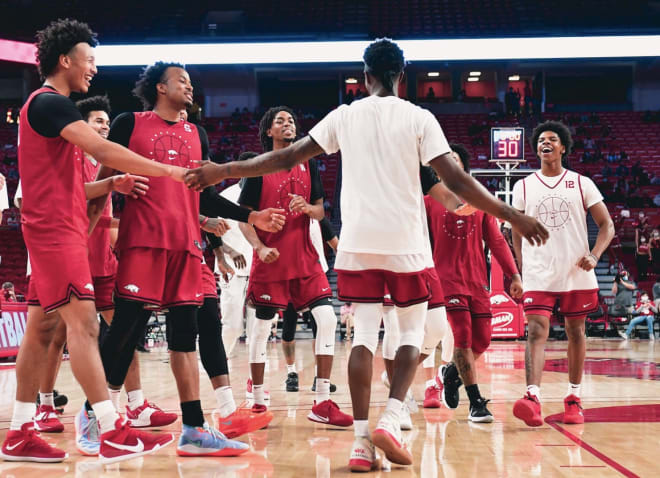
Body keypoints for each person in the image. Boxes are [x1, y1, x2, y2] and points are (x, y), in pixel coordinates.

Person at [184, 38, 547, 471]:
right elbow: (458, 181)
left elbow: (285, 158)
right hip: (405, 246)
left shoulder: (344, 116)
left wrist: (223, 169)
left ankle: (360, 443)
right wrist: (511, 214)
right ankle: (392, 418)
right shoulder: (419, 117)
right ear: (403, 77)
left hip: (356, 245)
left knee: (362, 339)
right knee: (412, 336)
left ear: (366, 76)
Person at [2, 19, 182, 464]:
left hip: (56, 228)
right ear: (66, 60)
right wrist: (172, 171)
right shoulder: (49, 104)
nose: (94, 70)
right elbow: (104, 151)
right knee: (84, 326)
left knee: (42, 330)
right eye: (90, 60)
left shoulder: (46, 107)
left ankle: (20, 431)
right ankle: (111, 427)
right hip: (55, 230)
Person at [90, 61, 248, 458]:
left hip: (186, 245)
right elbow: (101, 181)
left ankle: (194, 428)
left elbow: (205, 195)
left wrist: (251, 215)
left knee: (185, 333)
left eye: (191, 82)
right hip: (143, 242)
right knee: (127, 326)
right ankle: (97, 417)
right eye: (182, 80)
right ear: (161, 87)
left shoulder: (198, 133)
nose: (190, 87)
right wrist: (88, 228)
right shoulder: (130, 123)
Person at [33, 95, 175, 451]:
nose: (104, 128)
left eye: (107, 123)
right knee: (54, 333)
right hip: (65, 250)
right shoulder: (61, 154)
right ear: (80, 126)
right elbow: (55, 199)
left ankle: (137, 403)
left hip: (102, 259)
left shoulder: (107, 162)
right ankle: (45, 406)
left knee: (125, 330)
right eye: (97, 122)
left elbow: (105, 217)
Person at [237, 106, 352, 427]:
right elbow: (243, 217)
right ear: (269, 132)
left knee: (327, 320)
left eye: (291, 119)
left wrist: (308, 209)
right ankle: (258, 400)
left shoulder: (307, 164)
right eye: (280, 121)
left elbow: (319, 211)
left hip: (305, 260)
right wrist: (259, 246)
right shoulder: (258, 168)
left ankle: (322, 401)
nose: (288, 124)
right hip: (270, 262)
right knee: (260, 330)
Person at [511, 120, 614, 428]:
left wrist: (594, 255)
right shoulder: (523, 185)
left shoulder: (581, 183)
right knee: (536, 331)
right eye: (541, 139)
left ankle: (573, 397)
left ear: (563, 147)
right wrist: (520, 267)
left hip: (575, 271)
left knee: (575, 333)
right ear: (537, 149)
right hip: (539, 272)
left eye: (552, 139)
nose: (546, 142)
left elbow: (607, 225)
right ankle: (532, 396)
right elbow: (516, 229)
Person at [425, 144, 522, 423]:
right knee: (463, 336)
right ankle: (476, 402)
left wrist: (513, 274)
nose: (449, 166)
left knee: (483, 340)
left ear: (463, 167)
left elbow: (496, 239)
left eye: (454, 161)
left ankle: (450, 373)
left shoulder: (480, 201)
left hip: (477, 280)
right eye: (443, 163)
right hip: (446, 280)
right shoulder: (428, 200)